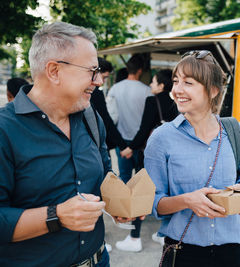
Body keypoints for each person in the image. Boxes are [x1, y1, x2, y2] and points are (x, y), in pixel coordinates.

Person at [0, 21, 113, 266]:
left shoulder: (92, 117)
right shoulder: (4, 130)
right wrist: (56, 216)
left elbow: (105, 174)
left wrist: (121, 201)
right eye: (91, 71)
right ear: (54, 71)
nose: (99, 81)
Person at [144, 50, 240, 267]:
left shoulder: (235, 130)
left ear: (213, 90)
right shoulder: (161, 138)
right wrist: (187, 200)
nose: (177, 90)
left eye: (188, 83)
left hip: (231, 253)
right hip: (183, 252)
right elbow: (153, 203)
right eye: (176, 81)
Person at [120, 69, 179, 246]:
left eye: (153, 82)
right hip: (172, 155)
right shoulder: (177, 101)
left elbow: (144, 129)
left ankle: (134, 238)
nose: (151, 85)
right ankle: (164, 234)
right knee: (169, 192)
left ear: (161, 85)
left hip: (151, 156)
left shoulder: (152, 101)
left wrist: (130, 147)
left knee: (139, 192)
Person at [106, 54, 152, 252]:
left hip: (121, 142)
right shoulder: (147, 90)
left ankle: (124, 217)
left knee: (124, 181)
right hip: (141, 145)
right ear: (140, 70)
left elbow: (111, 118)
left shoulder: (115, 88)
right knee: (141, 185)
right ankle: (136, 230)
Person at [91, 57, 127, 153]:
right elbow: (106, 120)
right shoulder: (95, 93)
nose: (103, 81)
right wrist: (122, 145)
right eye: (104, 77)